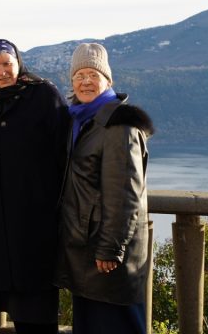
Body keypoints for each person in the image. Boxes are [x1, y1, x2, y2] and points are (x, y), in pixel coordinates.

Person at [0, 39, 70, 334]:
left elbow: (64, 152)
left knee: (37, 303)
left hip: (35, 217)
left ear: (18, 63)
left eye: (7, 64)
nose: (2, 72)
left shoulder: (44, 94)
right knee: (11, 300)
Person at [55, 43, 153, 334]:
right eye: (79, 75)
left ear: (108, 81)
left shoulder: (119, 126)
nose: (85, 81)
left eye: (93, 75)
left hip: (107, 256)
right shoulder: (82, 121)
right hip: (86, 252)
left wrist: (111, 249)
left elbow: (125, 195)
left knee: (117, 325)